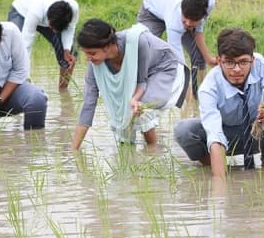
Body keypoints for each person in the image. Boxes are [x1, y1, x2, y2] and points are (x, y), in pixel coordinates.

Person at [174, 28, 264, 177]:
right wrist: (220, 189)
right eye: (229, 62)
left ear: (252, 60)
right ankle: (214, 166)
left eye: (243, 62)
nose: (237, 69)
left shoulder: (260, 65)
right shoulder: (209, 87)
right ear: (219, 61)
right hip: (227, 135)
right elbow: (214, 135)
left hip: (256, 132)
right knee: (184, 130)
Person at [71, 19, 189, 151]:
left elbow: (141, 81)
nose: (88, 58)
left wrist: (135, 99)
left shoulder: (137, 42)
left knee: (141, 109)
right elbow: (88, 103)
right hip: (140, 78)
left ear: (106, 46)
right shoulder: (95, 65)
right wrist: (74, 150)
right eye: (85, 53)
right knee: (122, 114)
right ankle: (129, 156)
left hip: (163, 68)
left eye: (92, 53)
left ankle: (153, 152)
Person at [137, 0, 218, 95]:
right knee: (145, 51)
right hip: (152, 12)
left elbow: (198, 30)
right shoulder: (175, 22)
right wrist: (185, 91)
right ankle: (144, 92)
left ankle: (199, 95)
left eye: (192, 21)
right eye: (185, 20)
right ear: (182, 11)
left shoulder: (209, 2)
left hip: (173, 9)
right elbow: (178, 60)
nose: (188, 24)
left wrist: (208, 58)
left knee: (199, 57)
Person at [7, 0, 79, 90]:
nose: (53, 32)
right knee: (15, 48)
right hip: (21, 11)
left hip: (51, 17)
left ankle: (63, 91)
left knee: (70, 52)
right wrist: (25, 76)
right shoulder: (37, 9)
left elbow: (70, 29)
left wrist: (66, 49)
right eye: (52, 28)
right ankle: (16, 87)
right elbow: (26, 43)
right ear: (48, 20)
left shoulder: (74, 9)